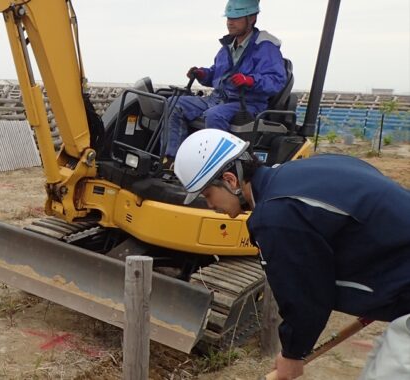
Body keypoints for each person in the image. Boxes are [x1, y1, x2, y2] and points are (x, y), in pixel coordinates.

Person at [172, 129, 410, 380]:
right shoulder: (312, 168)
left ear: (230, 180)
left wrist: (292, 354)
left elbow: (307, 296)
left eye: (208, 195)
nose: (210, 206)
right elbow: (373, 221)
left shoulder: (277, 217)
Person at [162, 0, 287, 163]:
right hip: (218, 99)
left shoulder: (265, 47)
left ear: (252, 18)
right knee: (174, 104)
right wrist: (202, 74)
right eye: (228, 18)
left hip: (246, 104)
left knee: (214, 116)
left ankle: (215, 169)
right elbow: (217, 74)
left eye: (236, 18)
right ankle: (173, 160)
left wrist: (250, 80)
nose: (230, 22)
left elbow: (276, 80)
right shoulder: (227, 47)